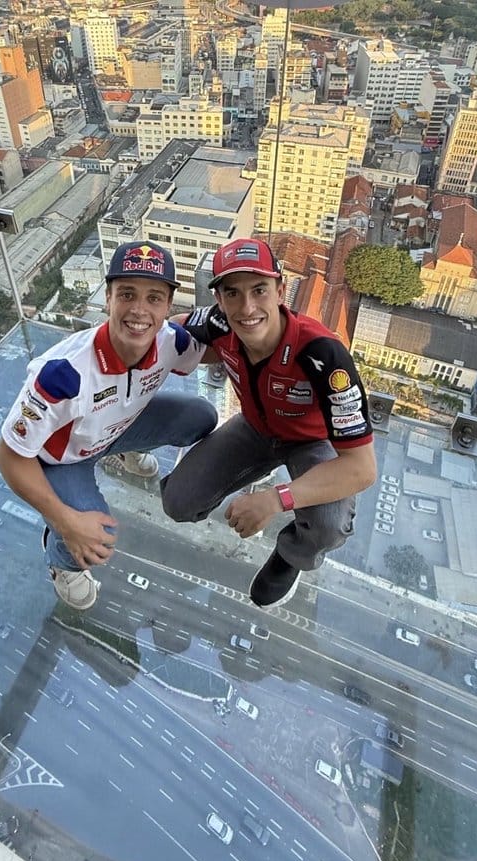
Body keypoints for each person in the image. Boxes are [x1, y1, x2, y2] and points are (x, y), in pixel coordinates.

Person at [0, 240, 218, 611]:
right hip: (62, 458)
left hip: (114, 430)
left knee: (201, 417)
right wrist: (65, 521)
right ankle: (59, 561)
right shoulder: (62, 376)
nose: (139, 310)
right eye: (127, 294)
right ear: (108, 299)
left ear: (167, 306)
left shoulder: (169, 341)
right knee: (100, 537)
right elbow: (8, 457)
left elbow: (209, 346)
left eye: (154, 298)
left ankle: (126, 453)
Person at [161, 237, 377, 609]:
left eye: (259, 290)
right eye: (232, 294)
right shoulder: (218, 323)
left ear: (280, 290)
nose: (247, 308)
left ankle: (293, 554)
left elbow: (362, 469)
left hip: (312, 442)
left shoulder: (324, 354)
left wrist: (276, 500)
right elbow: (171, 330)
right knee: (178, 503)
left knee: (329, 522)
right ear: (219, 300)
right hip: (254, 429)